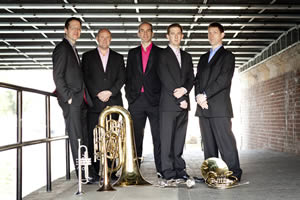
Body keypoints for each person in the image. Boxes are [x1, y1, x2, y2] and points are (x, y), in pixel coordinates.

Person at [194, 22, 243, 181]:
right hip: (203, 107)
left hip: (220, 107)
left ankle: (234, 173)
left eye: (215, 32)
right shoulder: (202, 58)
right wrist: (198, 97)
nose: (211, 35)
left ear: (222, 35)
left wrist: (205, 95)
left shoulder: (228, 56)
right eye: (209, 32)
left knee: (226, 142)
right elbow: (198, 81)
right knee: (208, 144)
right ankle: (211, 174)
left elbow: (223, 80)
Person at [82, 28, 125, 180]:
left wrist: (110, 92)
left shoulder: (118, 57)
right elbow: (85, 78)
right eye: (102, 37)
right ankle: (95, 171)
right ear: (97, 38)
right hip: (94, 103)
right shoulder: (87, 56)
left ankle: (112, 170)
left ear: (111, 39)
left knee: (112, 138)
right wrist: (97, 93)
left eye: (107, 37)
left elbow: (122, 78)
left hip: (113, 102)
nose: (105, 40)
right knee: (94, 138)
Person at [52, 17, 93, 177]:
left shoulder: (73, 48)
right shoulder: (62, 48)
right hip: (72, 101)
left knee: (82, 138)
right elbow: (57, 75)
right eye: (73, 28)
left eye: (79, 28)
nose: (76, 31)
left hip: (80, 100)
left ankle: (86, 172)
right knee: (76, 138)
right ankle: (82, 175)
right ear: (65, 30)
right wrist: (68, 97)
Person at [125, 22, 162, 178]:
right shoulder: (132, 53)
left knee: (158, 137)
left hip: (155, 100)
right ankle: (134, 169)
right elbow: (128, 76)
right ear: (138, 33)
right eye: (142, 31)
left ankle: (161, 169)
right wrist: (129, 97)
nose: (145, 33)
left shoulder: (161, 53)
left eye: (148, 31)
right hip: (136, 101)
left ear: (152, 33)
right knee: (135, 137)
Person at [158, 23, 194, 181]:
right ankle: (168, 171)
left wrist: (185, 92)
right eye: (172, 33)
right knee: (167, 140)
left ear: (182, 36)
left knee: (179, 139)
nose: (176, 36)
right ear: (167, 36)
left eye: (178, 33)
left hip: (184, 104)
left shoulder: (187, 56)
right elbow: (165, 78)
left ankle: (180, 169)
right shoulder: (161, 55)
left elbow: (191, 79)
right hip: (168, 104)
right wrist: (180, 98)